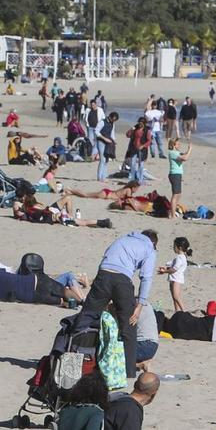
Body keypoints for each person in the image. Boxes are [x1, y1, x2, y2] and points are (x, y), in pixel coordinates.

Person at [80, 230, 159, 380]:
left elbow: (104, 259)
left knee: (86, 318)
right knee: (128, 328)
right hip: (122, 281)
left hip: (103, 275)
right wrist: (140, 306)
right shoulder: (149, 248)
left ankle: (76, 356)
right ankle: (129, 373)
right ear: (154, 243)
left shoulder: (122, 239)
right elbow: (146, 278)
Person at [157, 237, 190, 312]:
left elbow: (174, 269)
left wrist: (164, 271)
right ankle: (177, 312)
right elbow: (173, 266)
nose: (173, 248)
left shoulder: (180, 258)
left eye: (174, 246)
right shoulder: (181, 257)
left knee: (176, 296)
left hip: (176, 279)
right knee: (174, 298)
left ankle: (184, 311)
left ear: (180, 248)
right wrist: (166, 268)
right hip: (173, 278)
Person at [167, 138, 191, 219]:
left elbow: (184, 155)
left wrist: (188, 150)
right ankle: (172, 215)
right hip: (174, 174)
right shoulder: (172, 153)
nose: (179, 145)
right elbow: (185, 158)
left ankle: (173, 212)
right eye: (178, 144)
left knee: (178, 194)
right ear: (173, 145)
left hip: (178, 175)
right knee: (175, 195)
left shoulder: (176, 152)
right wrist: (190, 150)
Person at [96, 112, 120, 181]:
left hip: (108, 142)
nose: (113, 121)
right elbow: (96, 131)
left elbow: (112, 133)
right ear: (110, 117)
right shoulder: (102, 122)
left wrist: (113, 141)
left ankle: (104, 176)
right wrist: (104, 138)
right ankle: (99, 177)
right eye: (113, 119)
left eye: (115, 120)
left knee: (106, 160)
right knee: (102, 159)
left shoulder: (113, 124)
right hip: (101, 141)